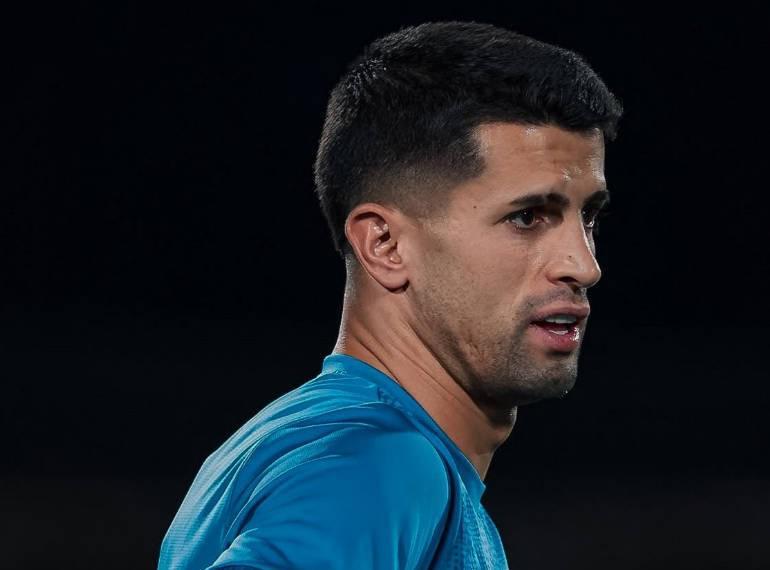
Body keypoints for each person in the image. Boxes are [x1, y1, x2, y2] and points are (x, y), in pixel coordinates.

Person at [158, 20, 623, 569]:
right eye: (527, 217)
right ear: (385, 244)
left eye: (588, 217)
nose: (584, 266)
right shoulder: (377, 464)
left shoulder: (298, 442)